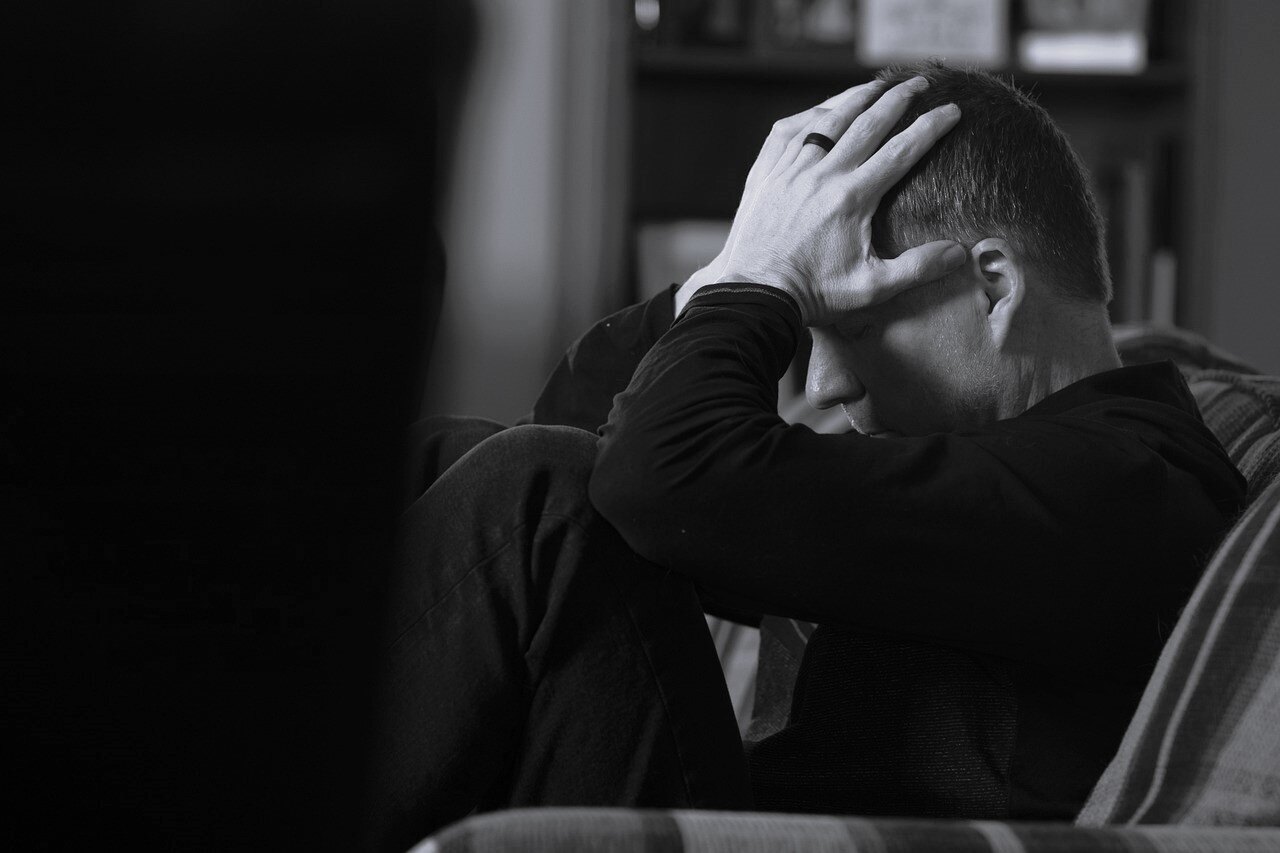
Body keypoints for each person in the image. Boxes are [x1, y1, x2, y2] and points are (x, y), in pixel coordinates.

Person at [365, 63, 1246, 851]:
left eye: (848, 329)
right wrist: (740, 268)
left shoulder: (1117, 485)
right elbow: (584, 435)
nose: (823, 386)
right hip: (738, 815)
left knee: (535, 500)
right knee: (452, 458)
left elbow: (647, 474)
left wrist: (770, 281)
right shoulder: (1000, 462)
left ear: (993, 288)